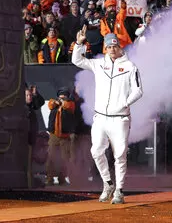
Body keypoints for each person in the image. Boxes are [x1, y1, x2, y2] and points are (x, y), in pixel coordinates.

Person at [72, 28, 143, 204]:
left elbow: (138, 90)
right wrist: (80, 44)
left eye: (114, 46)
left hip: (120, 118)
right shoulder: (98, 64)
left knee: (120, 155)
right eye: (108, 46)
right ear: (105, 48)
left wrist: (125, 103)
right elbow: (77, 60)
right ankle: (108, 183)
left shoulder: (130, 67)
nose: (112, 49)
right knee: (96, 151)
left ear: (120, 47)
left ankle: (119, 190)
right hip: (100, 117)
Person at [45, 87, 76, 186]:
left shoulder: (70, 104)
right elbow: (50, 104)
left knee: (64, 158)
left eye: (64, 97)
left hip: (65, 136)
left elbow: (69, 106)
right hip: (54, 135)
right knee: (51, 157)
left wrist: (63, 103)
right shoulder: (54, 104)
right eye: (60, 97)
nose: (61, 99)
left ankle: (61, 179)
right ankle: (49, 178)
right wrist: (57, 103)